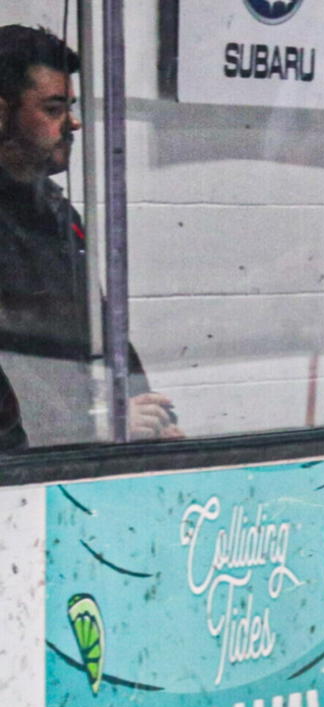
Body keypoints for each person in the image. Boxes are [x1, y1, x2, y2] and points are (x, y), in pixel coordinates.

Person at [0, 24, 179, 448]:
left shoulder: (57, 214)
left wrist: (152, 419)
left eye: (71, 106)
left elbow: (102, 334)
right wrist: (88, 427)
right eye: (54, 108)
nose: (74, 123)